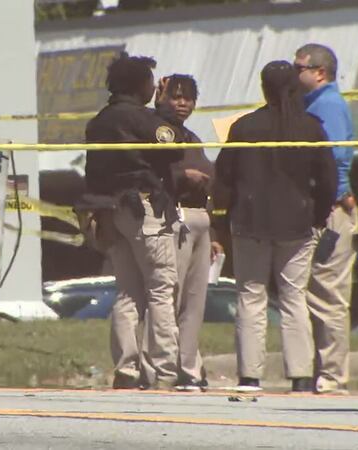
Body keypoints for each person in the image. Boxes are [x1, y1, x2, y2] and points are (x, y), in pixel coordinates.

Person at [215, 61, 337, 392]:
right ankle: (300, 376)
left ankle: (249, 376)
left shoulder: (244, 127)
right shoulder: (311, 128)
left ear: (263, 88)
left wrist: (221, 221)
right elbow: (329, 179)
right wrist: (319, 215)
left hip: (249, 221)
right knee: (293, 297)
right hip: (297, 223)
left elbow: (224, 177)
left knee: (250, 296)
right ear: (294, 88)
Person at [83, 52, 183, 390]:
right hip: (144, 209)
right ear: (141, 84)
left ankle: (126, 369)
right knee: (160, 288)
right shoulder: (142, 119)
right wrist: (164, 109)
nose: (154, 87)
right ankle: (165, 369)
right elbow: (175, 145)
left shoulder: (99, 120)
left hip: (112, 211)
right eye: (151, 82)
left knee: (127, 291)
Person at [153, 74, 223, 391]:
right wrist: (183, 175)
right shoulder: (156, 132)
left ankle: (190, 366)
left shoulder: (193, 138)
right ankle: (164, 367)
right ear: (161, 96)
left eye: (188, 98)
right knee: (171, 296)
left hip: (200, 220)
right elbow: (153, 171)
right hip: (172, 218)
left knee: (195, 301)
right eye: (176, 96)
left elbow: (212, 176)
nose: (182, 103)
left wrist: (216, 231)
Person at [294, 43, 357, 394]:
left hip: (331, 209)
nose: (293, 72)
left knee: (328, 294)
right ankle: (324, 371)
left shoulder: (328, 106)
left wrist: (337, 196)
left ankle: (333, 377)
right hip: (321, 206)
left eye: (298, 67)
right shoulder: (311, 106)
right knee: (315, 292)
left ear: (319, 72)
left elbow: (334, 158)